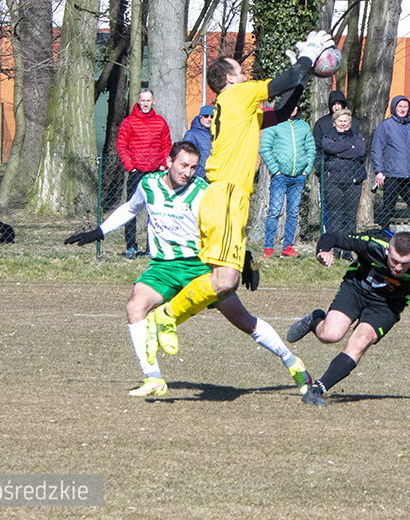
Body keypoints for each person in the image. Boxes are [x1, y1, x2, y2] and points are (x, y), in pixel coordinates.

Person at [64, 141, 313, 397]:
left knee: (244, 321)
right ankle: (153, 378)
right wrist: (99, 231)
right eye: (183, 165)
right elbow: (131, 208)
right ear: (169, 162)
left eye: (194, 167)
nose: (188, 172)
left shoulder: (204, 192)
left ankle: (293, 363)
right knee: (134, 307)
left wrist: (246, 258)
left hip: (201, 267)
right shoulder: (148, 186)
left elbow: (227, 226)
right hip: (163, 267)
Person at [151, 31, 335, 356]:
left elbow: (280, 113)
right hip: (225, 195)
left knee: (223, 282)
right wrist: (307, 56)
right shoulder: (237, 95)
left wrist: (302, 79)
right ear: (229, 79)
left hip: (228, 197)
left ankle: (171, 311)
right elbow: (283, 81)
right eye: (240, 70)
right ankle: (168, 314)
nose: (246, 74)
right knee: (225, 282)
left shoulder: (237, 107)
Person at [287, 230, 410, 406]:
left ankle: (316, 390)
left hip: (387, 306)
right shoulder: (373, 242)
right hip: (355, 289)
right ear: (387, 250)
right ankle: (315, 320)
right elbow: (332, 236)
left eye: (405, 263)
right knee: (330, 335)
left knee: (362, 340)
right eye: (394, 260)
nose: (398, 268)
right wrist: (322, 251)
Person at [116, 88, 172, 259]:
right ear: (138, 101)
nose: (145, 103)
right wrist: (129, 165)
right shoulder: (129, 122)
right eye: (143, 100)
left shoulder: (161, 122)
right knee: (132, 209)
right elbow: (121, 145)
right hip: (136, 172)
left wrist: (164, 165)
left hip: (156, 173)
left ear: (153, 101)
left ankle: (151, 247)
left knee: (155, 210)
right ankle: (131, 246)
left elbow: (167, 145)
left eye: (148, 100)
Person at [260, 99, 315, 259]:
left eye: (295, 104)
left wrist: (306, 170)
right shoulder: (273, 124)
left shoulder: (303, 126)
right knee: (274, 212)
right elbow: (264, 148)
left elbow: (311, 148)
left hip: (298, 177)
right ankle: (268, 248)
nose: (293, 107)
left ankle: (288, 247)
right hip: (280, 177)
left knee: (293, 213)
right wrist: (275, 170)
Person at [372, 95, 410, 243]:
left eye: (405, 106)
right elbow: (377, 149)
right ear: (394, 108)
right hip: (392, 175)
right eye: (400, 106)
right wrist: (378, 170)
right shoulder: (385, 126)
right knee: (388, 209)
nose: (403, 109)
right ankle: (384, 237)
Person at [321, 108, 366, 261]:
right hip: (333, 182)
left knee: (350, 218)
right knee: (335, 217)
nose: (343, 123)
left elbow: (360, 151)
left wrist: (339, 152)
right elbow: (328, 147)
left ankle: (348, 251)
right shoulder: (329, 136)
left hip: (353, 183)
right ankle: (335, 250)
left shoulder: (357, 136)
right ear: (335, 122)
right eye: (340, 121)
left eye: (345, 121)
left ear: (350, 122)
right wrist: (348, 148)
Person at [312, 89, 361, 177]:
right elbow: (317, 147)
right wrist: (320, 168)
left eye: (339, 103)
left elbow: (359, 147)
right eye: (334, 104)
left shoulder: (354, 123)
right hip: (328, 170)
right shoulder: (321, 123)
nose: (337, 107)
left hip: (351, 170)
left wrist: (358, 170)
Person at [183, 105, 214, 180]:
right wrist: (200, 174)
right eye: (206, 116)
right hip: (199, 177)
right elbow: (187, 156)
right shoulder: (191, 134)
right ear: (200, 117)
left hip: (215, 175)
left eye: (212, 116)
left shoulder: (217, 134)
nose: (209, 119)